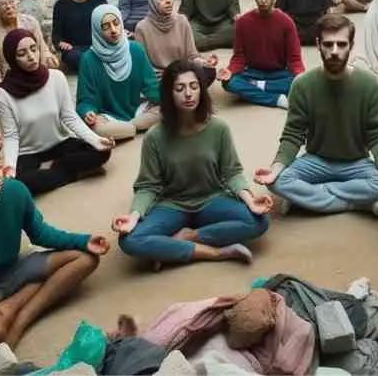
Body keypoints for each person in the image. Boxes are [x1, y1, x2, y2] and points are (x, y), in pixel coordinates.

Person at [0, 131, 109, 350]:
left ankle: (19, 318)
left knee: (86, 258)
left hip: (16, 268)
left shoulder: (15, 191)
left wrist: (84, 240)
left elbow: (40, 233)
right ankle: (28, 296)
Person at [113, 61, 272, 268]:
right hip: (172, 204)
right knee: (129, 240)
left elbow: (231, 172)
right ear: (169, 94)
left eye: (194, 87)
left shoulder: (218, 128)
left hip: (212, 198)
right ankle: (216, 253)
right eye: (180, 88)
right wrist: (134, 217)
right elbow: (148, 185)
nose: (188, 94)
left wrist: (250, 201)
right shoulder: (155, 136)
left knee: (259, 221)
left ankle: (184, 240)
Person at [254, 14, 378, 215]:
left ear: (351, 45)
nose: (335, 51)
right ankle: (359, 203)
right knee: (277, 181)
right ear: (318, 44)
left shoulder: (370, 84)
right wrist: (275, 169)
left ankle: (305, 199)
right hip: (316, 160)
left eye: (341, 44)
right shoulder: (302, 84)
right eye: (328, 45)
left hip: (356, 163)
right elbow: (293, 135)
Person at [0, 29, 115, 195]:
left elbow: (69, 116)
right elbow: (10, 135)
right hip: (29, 152)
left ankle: (60, 168)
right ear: (12, 59)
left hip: (59, 143)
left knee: (102, 152)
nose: (31, 56)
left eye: (33, 48)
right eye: (22, 53)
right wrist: (9, 166)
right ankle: (69, 173)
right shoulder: (4, 94)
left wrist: (95, 140)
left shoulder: (56, 78)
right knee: (18, 183)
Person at [219, 0, 306, 109]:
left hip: (278, 74)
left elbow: (294, 59)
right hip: (252, 72)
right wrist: (230, 70)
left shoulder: (286, 22)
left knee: (299, 82)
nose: (263, 0)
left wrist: (300, 76)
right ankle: (276, 99)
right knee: (229, 82)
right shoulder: (243, 22)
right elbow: (239, 57)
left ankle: (256, 88)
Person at [76, 4, 162, 141]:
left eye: (116, 23)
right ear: (97, 30)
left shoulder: (135, 49)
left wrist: (168, 99)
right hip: (107, 116)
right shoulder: (88, 59)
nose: (114, 30)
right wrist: (88, 112)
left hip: (138, 111)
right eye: (106, 27)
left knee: (165, 109)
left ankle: (127, 128)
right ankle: (131, 128)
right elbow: (85, 99)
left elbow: (151, 85)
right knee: (97, 127)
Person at [0, 0, 57, 89]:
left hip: (33, 72)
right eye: (3, 4)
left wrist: (48, 59)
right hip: (9, 77)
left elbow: (42, 49)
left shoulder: (30, 22)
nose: (8, 7)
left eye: (11, 2)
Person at [133, 0, 213, 80]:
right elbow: (143, 65)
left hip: (183, 73)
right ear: (152, 2)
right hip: (159, 78)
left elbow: (191, 55)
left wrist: (204, 62)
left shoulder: (182, 20)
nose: (168, 0)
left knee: (209, 71)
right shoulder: (142, 28)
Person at [51, 0, 107, 73]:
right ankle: (97, 68)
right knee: (74, 58)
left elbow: (107, 24)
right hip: (74, 49)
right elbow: (56, 34)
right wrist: (61, 43)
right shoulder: (61, 5)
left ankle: (93, 67)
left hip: (97, 46)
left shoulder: (99, 0)